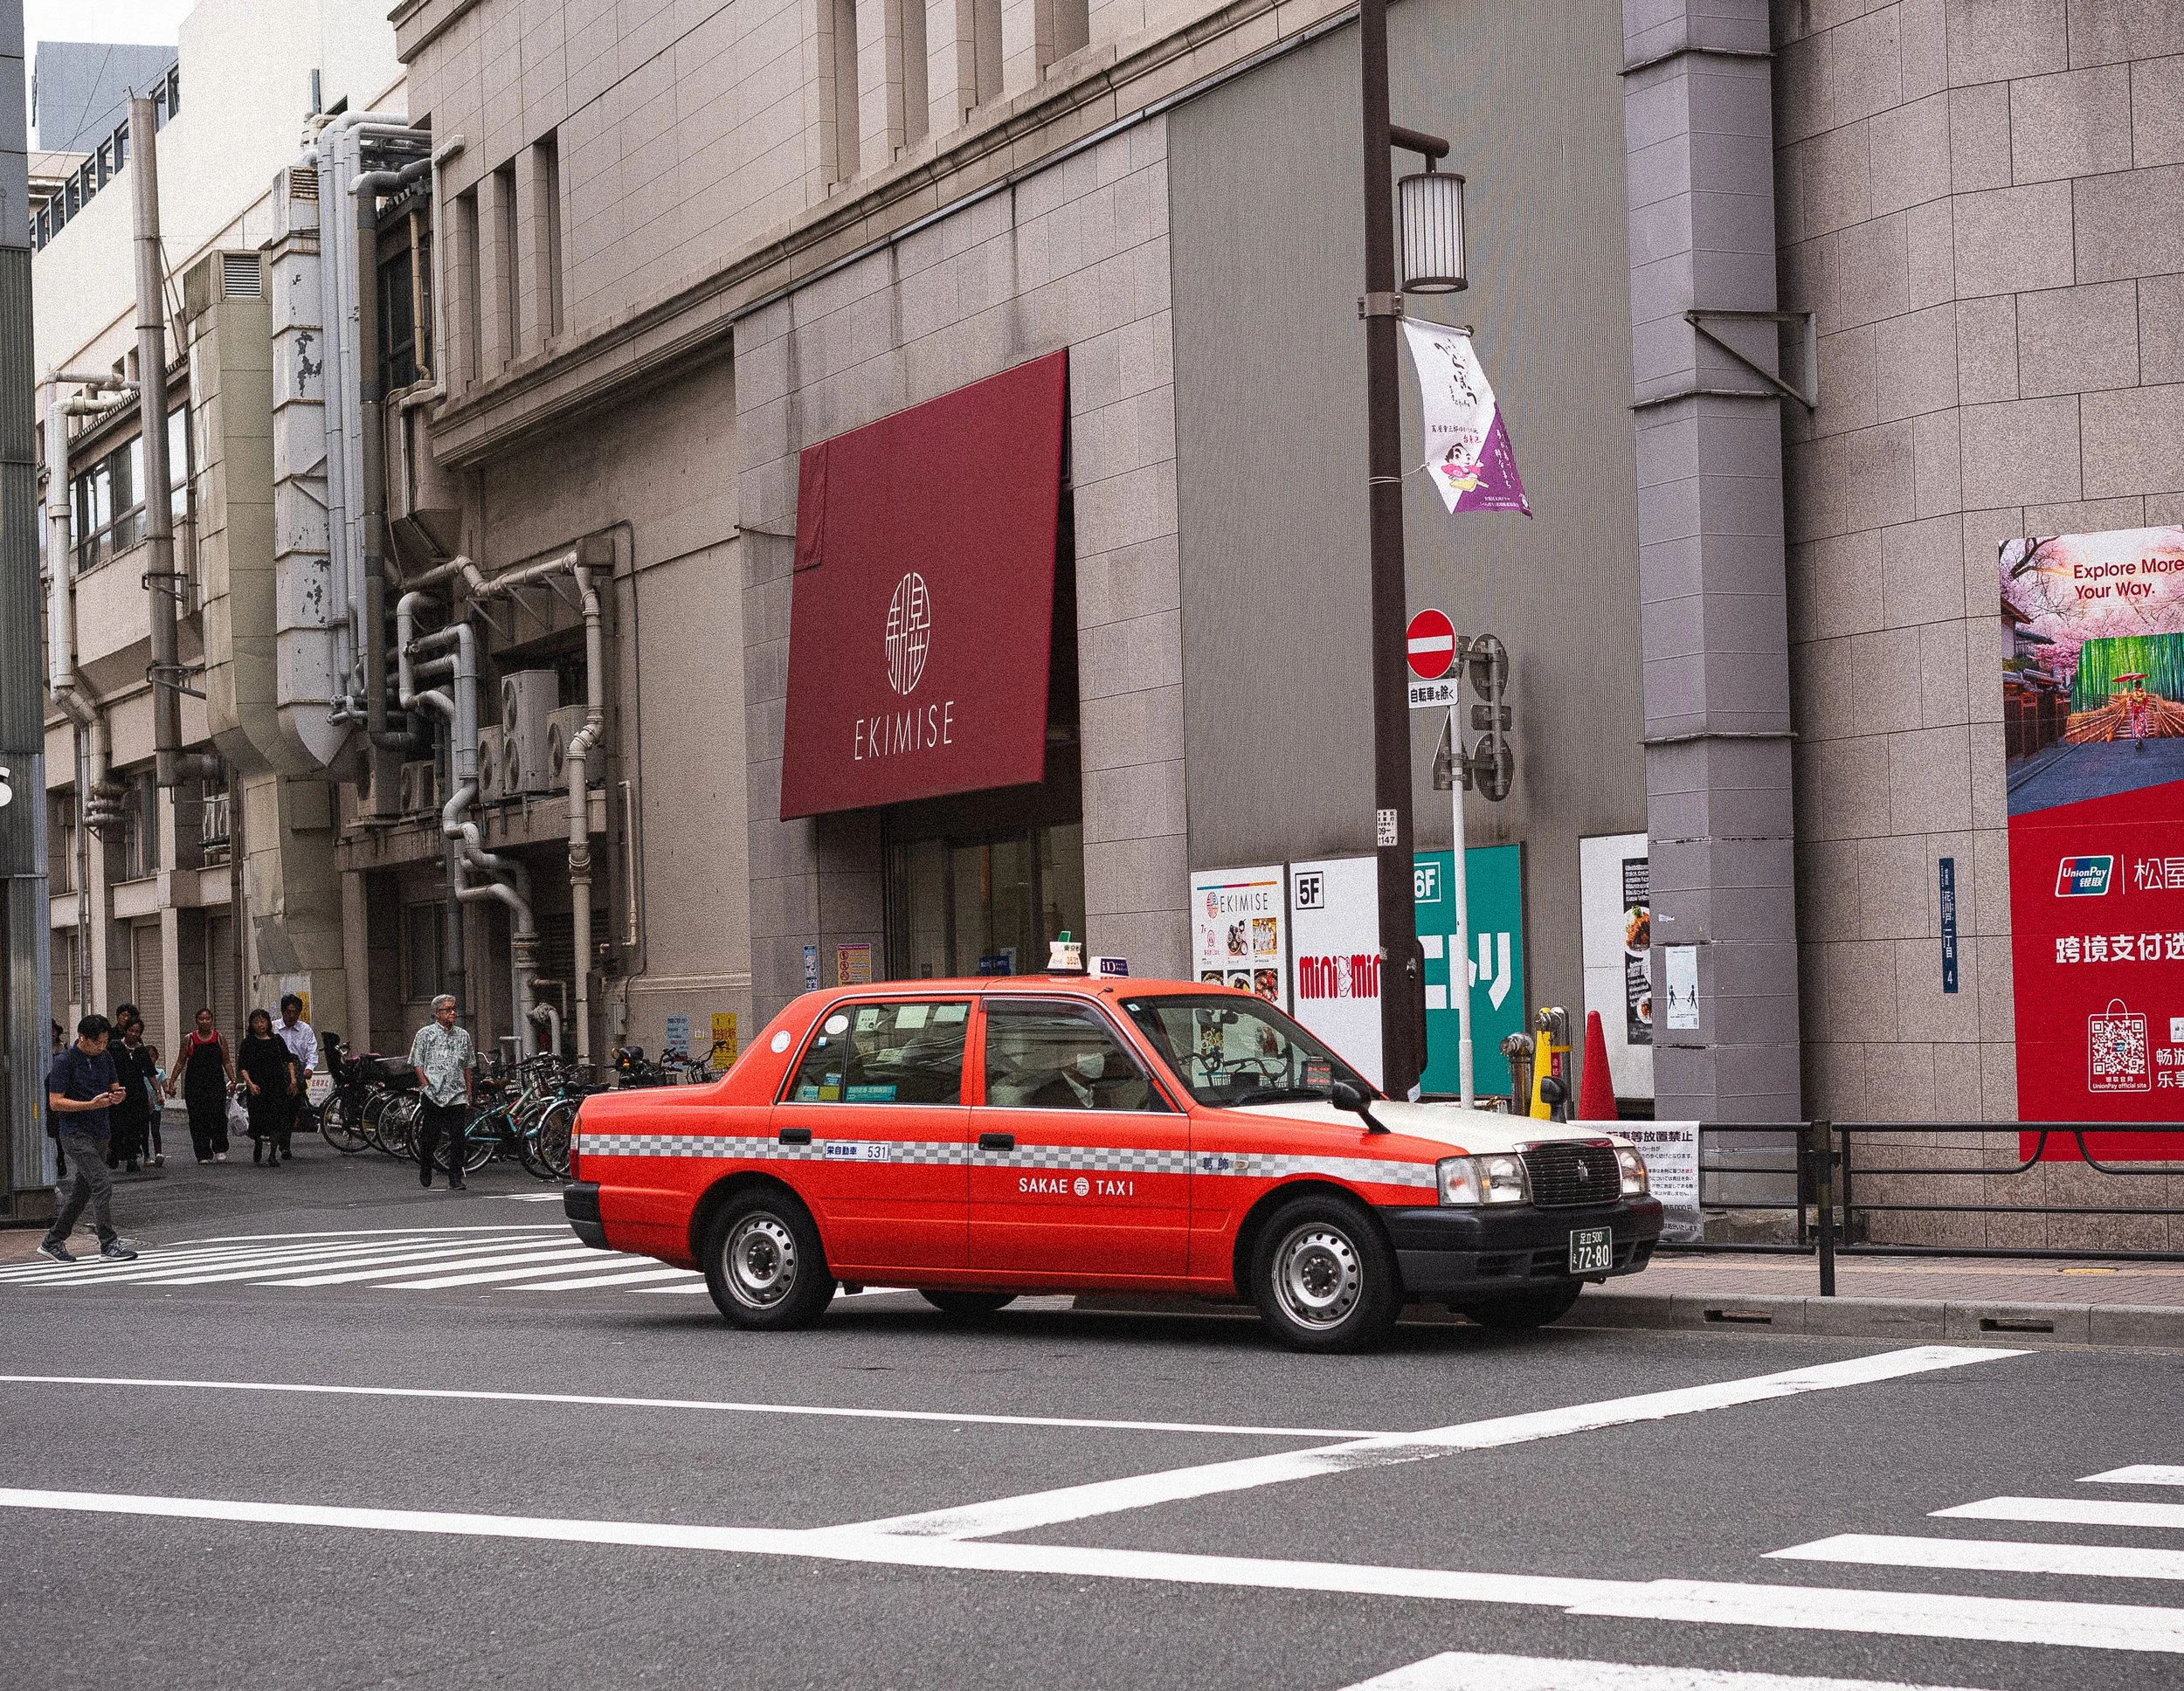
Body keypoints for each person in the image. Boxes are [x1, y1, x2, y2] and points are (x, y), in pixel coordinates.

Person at [38, 1015, 139, 1263]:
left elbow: (115, 1087)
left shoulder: (105, 1058)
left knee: (83, 1192)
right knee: (102, 1182)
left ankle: (53, 1241)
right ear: (82, 1038)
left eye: (105, 1042)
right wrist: (89, 1105)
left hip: (100, 1131)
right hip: (74, 1132)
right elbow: (55, 1101)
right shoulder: (65, 1061)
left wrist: (117, 1097)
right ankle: (108, 1243)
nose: (101, 1047)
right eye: (97, 1042)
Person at [410, 993, 474, 1191]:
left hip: (457, 1093)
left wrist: (469, 1093)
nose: (453, 1012)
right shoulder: (425, 1034)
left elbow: (468, 1066)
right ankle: (426, 1165)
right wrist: (426, 1085)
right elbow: (417, 1063)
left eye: (454, 1008)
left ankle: (455, 1176)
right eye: (448, 1010)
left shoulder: (463, 1035)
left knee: (458, 1136)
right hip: (433, 1092)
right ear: (437, 1013)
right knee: (431, 1134)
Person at [170, 1008, 235, 1163]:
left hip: (215, 1084)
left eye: (207, 1019)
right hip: (195, 1085)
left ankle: (220, 1148)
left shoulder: (219, 1038)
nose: (204, 1022)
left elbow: (226, 1060)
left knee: (218, 1116)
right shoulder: (189, 1039)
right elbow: (181, 1061)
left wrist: (233, 1080)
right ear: (196, 1021)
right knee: (198, 1118)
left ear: (212, 1020)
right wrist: (172, 1081)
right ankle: (202, 1153)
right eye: (201, 1019)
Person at [238, 1009, 298, 1167]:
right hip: (257, 1087)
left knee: (277, 1120)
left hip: (276, 1086)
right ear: (251, 1024)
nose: (260, 1025)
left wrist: (293, 1080)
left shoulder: (277, 1040)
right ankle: (258, 1142)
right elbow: (243, 1067)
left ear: (268, 1023)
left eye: (263, 1021)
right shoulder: (248, 1043)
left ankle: (272, 1154)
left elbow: (289, 1060)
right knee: (258, 1119)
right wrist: (250, 1084)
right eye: (256, 1022)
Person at [105, 1018, 159, 1175]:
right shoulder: (115, 1046)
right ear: (125, 1031)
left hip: (137, 1094)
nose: (134, 1034)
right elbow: (107, 1068)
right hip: (118, 1092)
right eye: (131, 1031)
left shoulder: (142, 1051)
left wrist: (157, 1092)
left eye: (137, 1032)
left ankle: (132, 1158)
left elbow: (150, 1073)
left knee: (136, 1126)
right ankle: (114, 1151)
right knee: (117, 1125)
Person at [274, 995, 317, 1162]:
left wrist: (309, 1068)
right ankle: (281, 1141)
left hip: (297, 1072)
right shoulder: (274, 1028)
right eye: (288, 1012)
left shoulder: (305, 1029)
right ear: (283, 1011)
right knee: (279, 1108)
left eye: (295, 1012)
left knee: (292, 1109)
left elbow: (312, 1051)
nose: (292, 1016)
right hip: (278, 1073)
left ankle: (285, 1142)